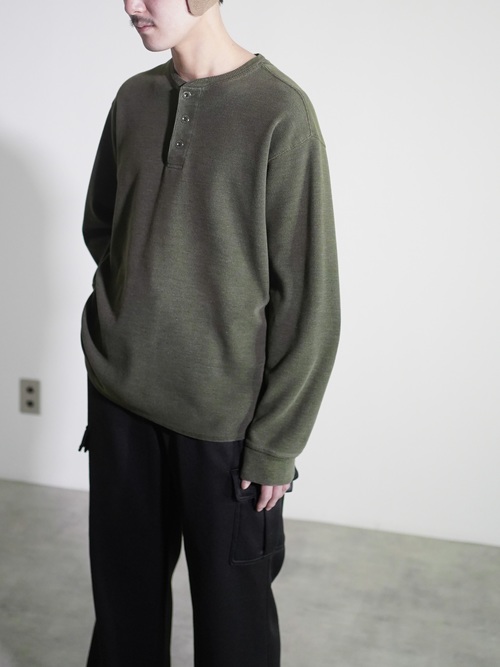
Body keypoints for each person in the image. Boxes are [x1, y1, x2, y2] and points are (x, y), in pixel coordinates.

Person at [79, 0, 340, 665]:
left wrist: (275, 445)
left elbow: (309, 299)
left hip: (224, 427)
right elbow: (104, 226)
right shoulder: (133, 100)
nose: (132, 6)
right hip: (120, 404)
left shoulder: (280, 113)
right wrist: (130, 313)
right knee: (123, 619)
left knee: (235, 632)